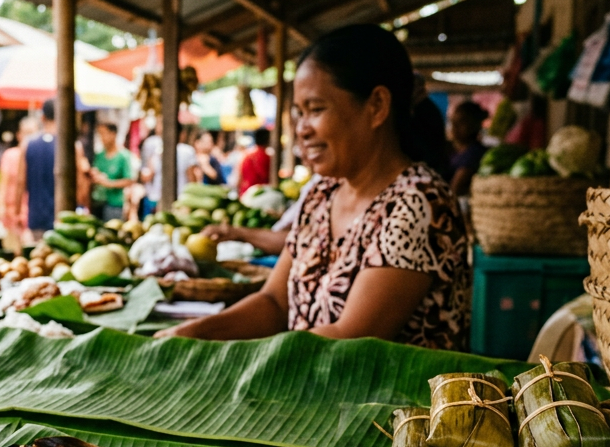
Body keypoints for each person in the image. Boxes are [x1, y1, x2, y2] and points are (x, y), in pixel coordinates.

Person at [158, 24, 471, 352]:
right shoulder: (323, 193)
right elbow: (275, 303)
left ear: (377, 105)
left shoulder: (419, 203)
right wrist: (192, 333)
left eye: (316, 110)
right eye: (298, 113)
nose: (301, 130)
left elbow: (349, 341)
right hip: (305, 387)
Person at [19, 99, 85, 239]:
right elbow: (80, 186)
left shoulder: (27, 145)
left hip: (36, 218)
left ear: (42, 117)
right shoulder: (73, 147)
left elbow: (20, 183)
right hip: (65, 221)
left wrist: (18, 213)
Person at [0, 117, 36, 254]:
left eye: (32, 132)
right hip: (12, 209)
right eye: (26, 132)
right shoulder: (10, 155)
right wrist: (0, 206)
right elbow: (4, 182)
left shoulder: (36, 155)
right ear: (19, 135)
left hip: (31, 208)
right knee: (12, 248)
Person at [140, 125, 199, 214]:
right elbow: (192, 178)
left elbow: (147, 176)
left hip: (158, 198)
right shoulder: (187, 151)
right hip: (180, 199)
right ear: (182, 134)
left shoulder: (158, 150)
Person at [90, 122, 133, 221]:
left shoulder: (123, 156)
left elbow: (129, 180)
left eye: (104, 133)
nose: (102, 137)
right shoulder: (100, 155)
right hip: (98, 201)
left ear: (113, 134)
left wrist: (109, 183)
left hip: (115, 204)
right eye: (100, 134)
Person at [448, 100, 490, 197]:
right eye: (453, 122)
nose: (455, 127)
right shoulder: (455, 151)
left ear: (475, 124)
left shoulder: (474, 153)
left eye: (461, 122)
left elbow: (455, 188)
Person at [237, 128, 272, 194]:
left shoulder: (246, 155)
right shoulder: (266, 157)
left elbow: (239, 177)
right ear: (267, 139)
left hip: (245, 193)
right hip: (259, 194)